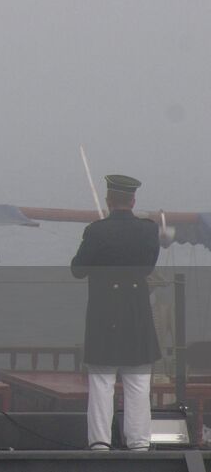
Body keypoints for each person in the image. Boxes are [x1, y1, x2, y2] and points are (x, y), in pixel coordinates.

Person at [71, 174, 160, 451]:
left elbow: (78, 269)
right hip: (136, 314)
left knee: (101, 383)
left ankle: (99, 442)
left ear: (109, 200)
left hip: (103, 314)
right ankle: (139, 443)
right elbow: (147, 268)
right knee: (138, 384)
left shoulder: (96, 231)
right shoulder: (148, 230)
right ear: (133, 200)